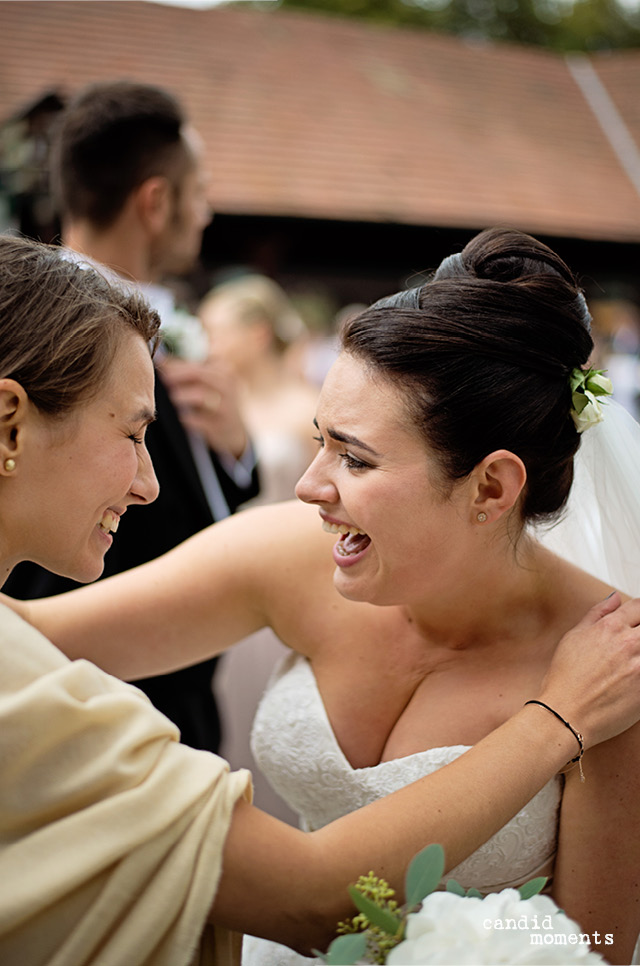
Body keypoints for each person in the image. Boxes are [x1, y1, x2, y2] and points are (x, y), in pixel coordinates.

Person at [6, 230, 640, 966]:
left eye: (353, 457)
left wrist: (459, 949)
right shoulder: (287, 556)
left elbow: (594, 943)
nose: (308, 486)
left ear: (491, 487)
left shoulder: (610, 670)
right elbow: (30, 640)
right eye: (319, 442)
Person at [2, 81, 260, 753]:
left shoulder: (175, 334)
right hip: (79, 716)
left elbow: (178, 506)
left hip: (180, 712)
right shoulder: (39, 339)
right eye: (199, 193)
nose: (206, 215)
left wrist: (235, 457)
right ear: (156, 201)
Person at [198, 273, 318, 821]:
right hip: (223, 569)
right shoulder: (207, 407)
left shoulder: (308, 409)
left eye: (216, 331)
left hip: (294, 575)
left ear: (257, 333)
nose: (208, 346)